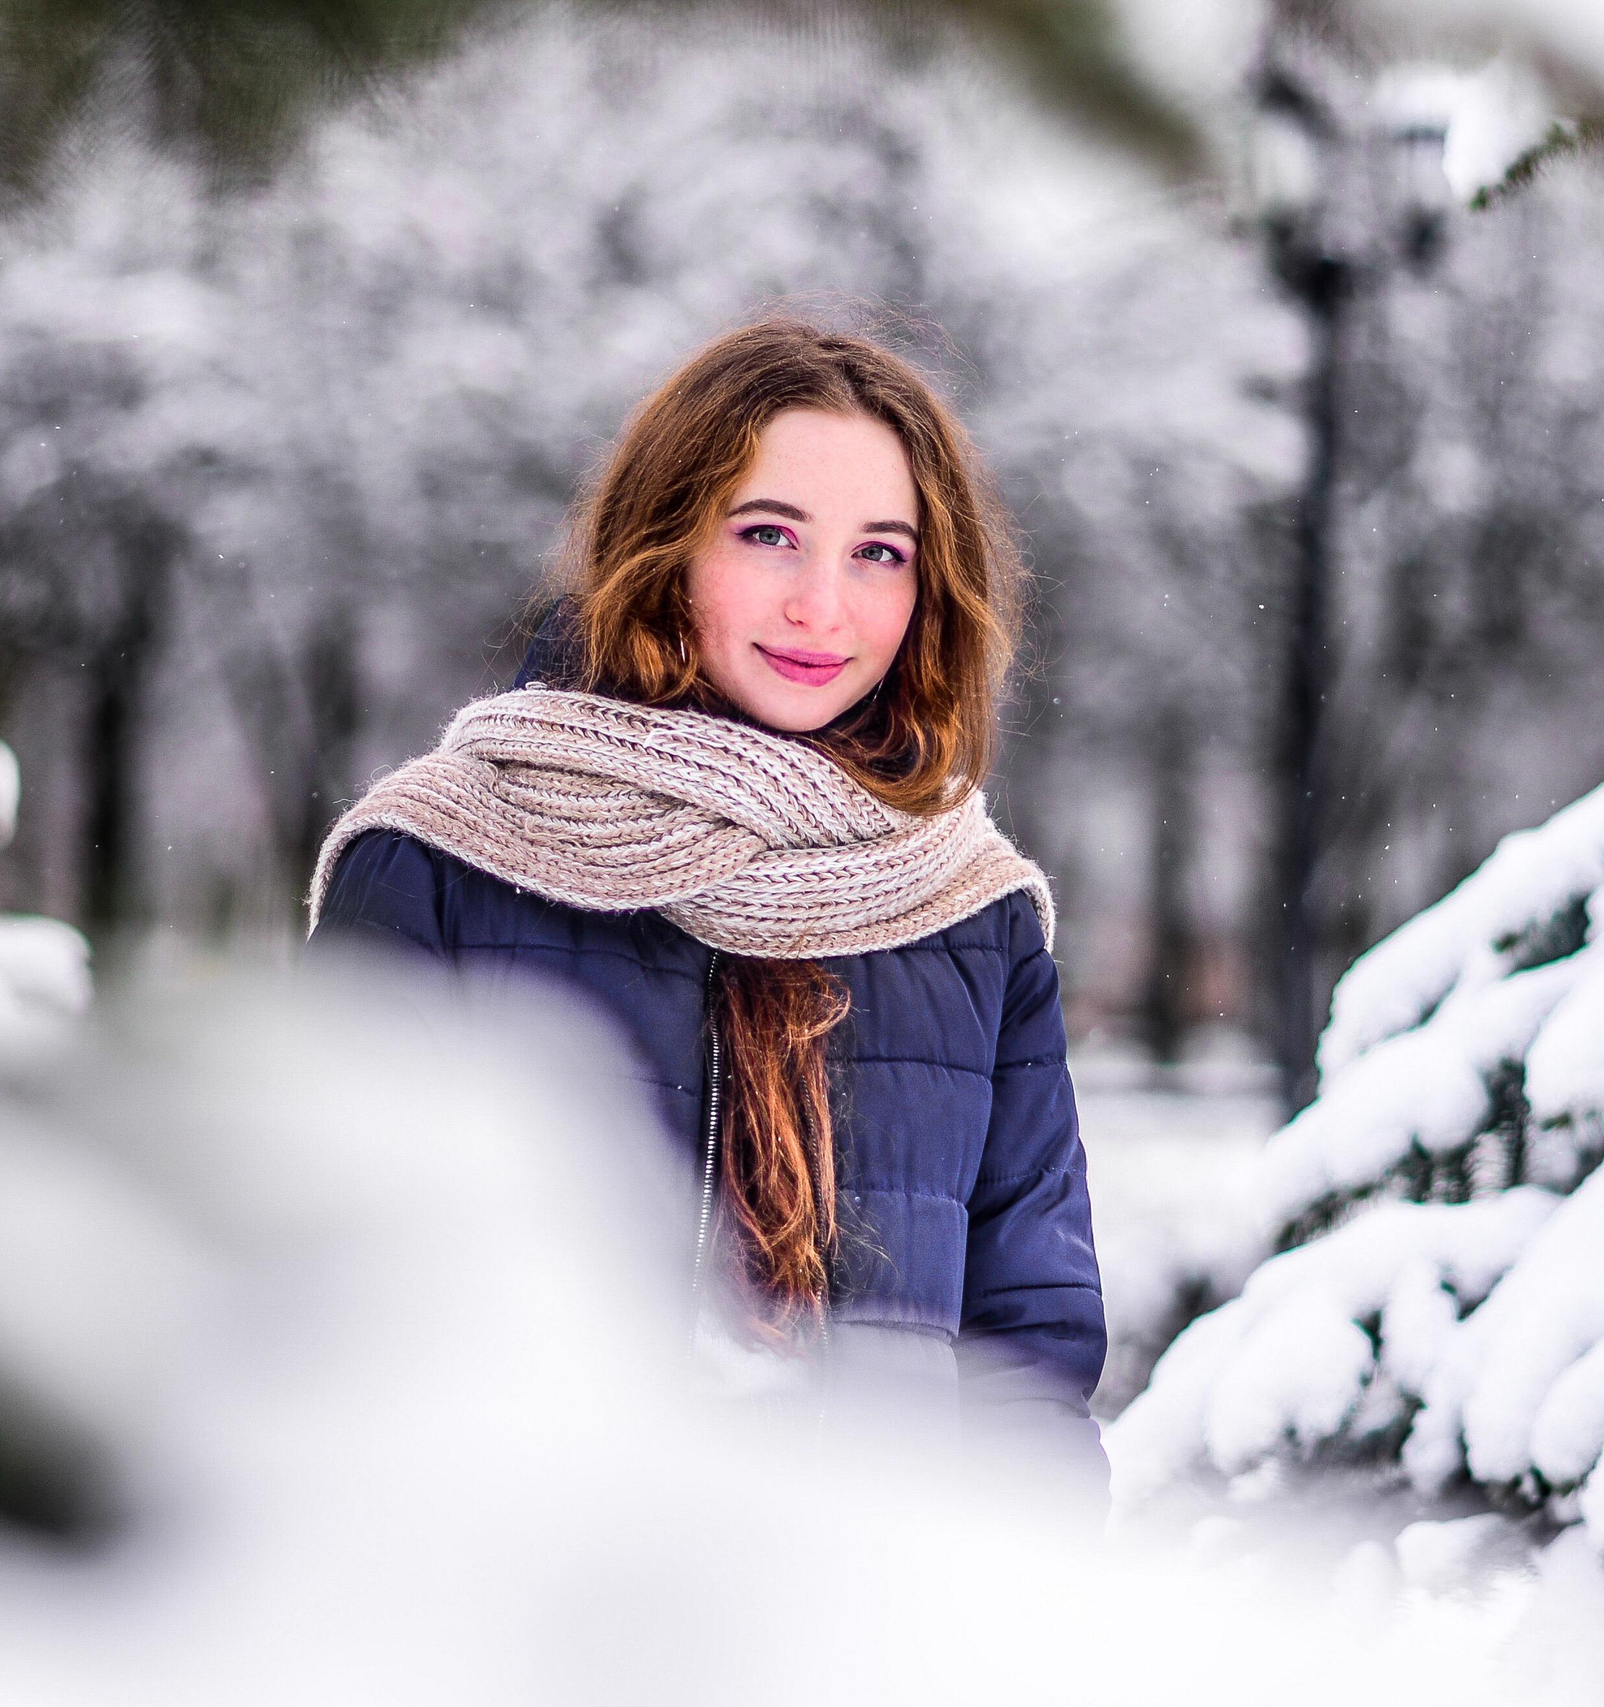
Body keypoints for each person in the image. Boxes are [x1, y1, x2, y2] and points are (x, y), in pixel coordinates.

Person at [306, 317, 1104, 1497]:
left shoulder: (964, 910)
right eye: (770, 535)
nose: (821, 609)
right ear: (665, 539)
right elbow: (323, 1309)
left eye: (880, 553)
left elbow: (1023, 1361)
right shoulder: (440, 860)